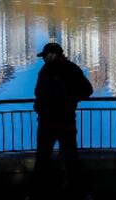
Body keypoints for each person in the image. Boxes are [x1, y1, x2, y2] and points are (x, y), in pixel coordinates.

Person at [29, 42, 93, 200]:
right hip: (66, 122)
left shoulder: (45, 71)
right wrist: (72, 100)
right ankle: (81, 193)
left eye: (44, 56)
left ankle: (36, 194)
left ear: (52, 54)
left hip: (47, 123)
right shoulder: (72, 68)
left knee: (42, 160)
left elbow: (37, 92)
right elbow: (87, 90)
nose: (43, 59)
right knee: (71, 160)